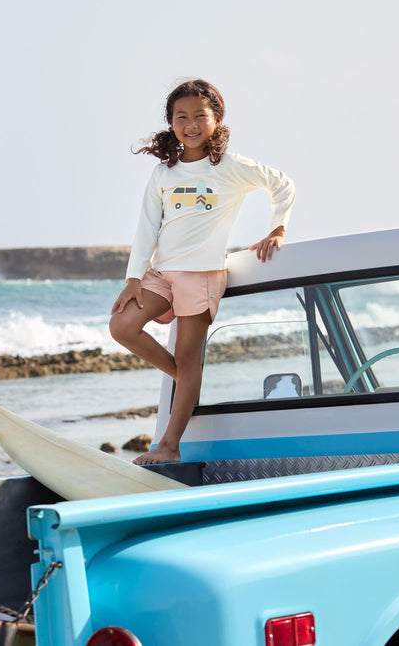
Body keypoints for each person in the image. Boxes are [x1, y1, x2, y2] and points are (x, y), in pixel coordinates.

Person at [109, 79, 295, 465]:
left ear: (217, 119)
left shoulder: (230, 167)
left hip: (202, 274)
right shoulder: (164, 173)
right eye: (182, 117)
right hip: (162, 272)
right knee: (122, 327)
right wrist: (132, 278)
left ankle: (169, 444)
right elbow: (147, 226)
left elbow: (282, 185)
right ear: (171, 123)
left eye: (200, 116)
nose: (191, 124)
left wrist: (277, 229)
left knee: (189, 356)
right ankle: (185, 380)